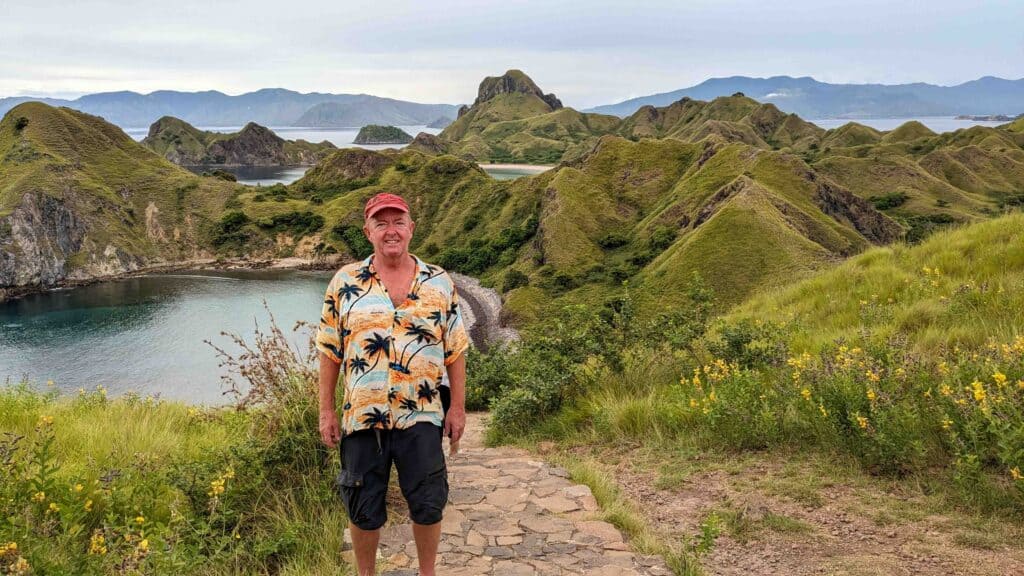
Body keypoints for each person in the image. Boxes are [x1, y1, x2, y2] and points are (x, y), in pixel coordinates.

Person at [315, 192, 469, 576]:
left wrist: (458, 408)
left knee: (428, 501)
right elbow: (329, 351)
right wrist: (326, 411)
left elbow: (456, 349)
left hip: (423, 414)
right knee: (363, 505)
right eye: (380, 223)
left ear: (411, 228)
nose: (391, 231)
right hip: (361, 416)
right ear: (368, 231)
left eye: (398, 222)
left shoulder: (439, 282)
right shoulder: (345, 282)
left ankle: (427, 572)